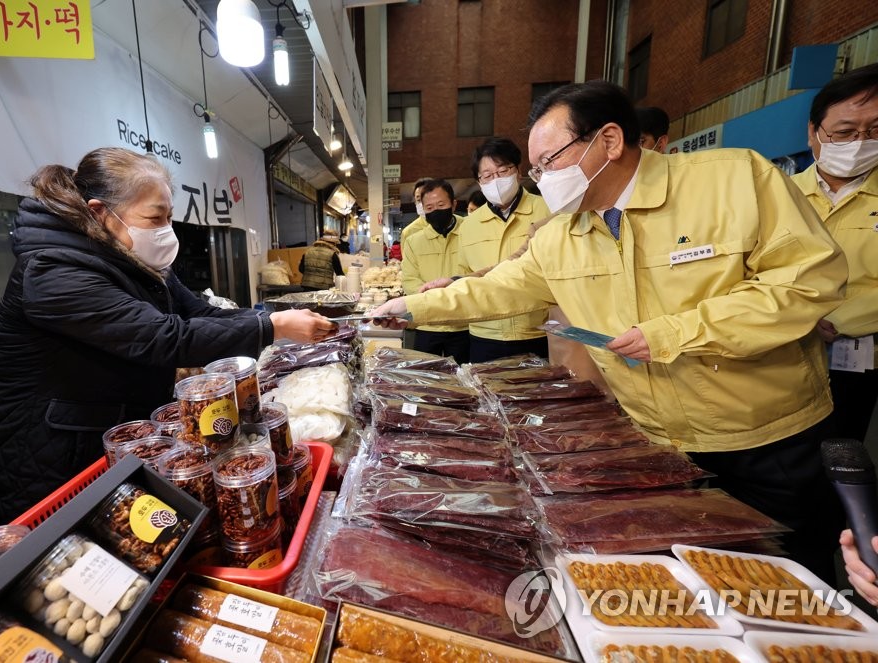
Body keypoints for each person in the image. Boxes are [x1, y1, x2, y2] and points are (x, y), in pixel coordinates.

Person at [372, 81, 849, 583]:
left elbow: (810, 281)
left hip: (770, 442)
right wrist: (408, 308)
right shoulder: (562, 234)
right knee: (686, 596)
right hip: (656, 445)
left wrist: (678, 331)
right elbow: (495, 290)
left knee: (794, 591)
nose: (541, 179)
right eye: (534, 170)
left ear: (610, 141)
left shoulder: (734, 180)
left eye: (547, 162)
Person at [0, 147, 335, 524]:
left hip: (105, 438)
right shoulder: (53, 270)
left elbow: (201, 313)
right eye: (154, 217)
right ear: (99, 213)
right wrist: (271, 327)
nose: (164, 230)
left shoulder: (134, 261)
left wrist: (271, 318)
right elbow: (162, 338)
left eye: (168, 217)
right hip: (42, 461)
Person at [790, 63, 878, 445]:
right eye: (845, 132)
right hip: (782, 354)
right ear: (813, 132)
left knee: (845, 450)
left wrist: (836, 319)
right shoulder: (778, 194)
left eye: (874, 131)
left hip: (862, 357)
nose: (860, 141)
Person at [454, 137, 552, 362]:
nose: (495, 180)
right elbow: (466, 276)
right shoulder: (469, 225)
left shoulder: (547, 209)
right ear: (479, 182)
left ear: (518, 171)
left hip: (537, 333)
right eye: (487, 176)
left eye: (502, 170)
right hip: (484, 334)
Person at [401, 179, 470, 363]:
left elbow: (479, 272)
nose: (436, 211)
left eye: (441, 205)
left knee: (464, 381)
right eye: (429, 208)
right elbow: (409, 280)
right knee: (426, 380)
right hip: (427, 325)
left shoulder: (471, 231)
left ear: (453, 204)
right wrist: (433, 301)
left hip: (464, 324)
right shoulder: (414, 241)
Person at [399, 178, 432, 243]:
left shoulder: (456, 226)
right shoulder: (408, 233)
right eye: (419, 200)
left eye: (428, 198)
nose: (423, 204)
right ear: (415, 203)